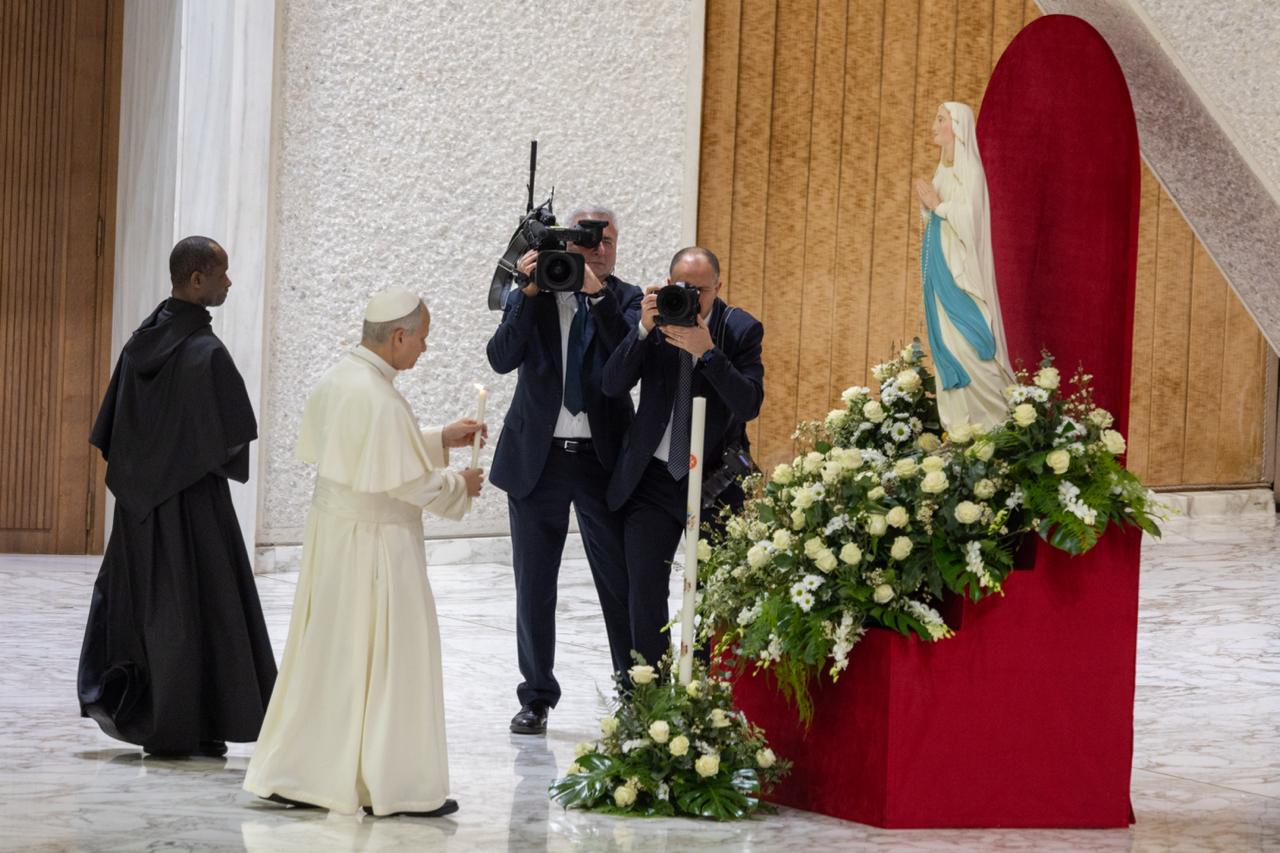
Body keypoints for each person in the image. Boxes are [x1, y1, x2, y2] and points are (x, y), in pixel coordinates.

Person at [243, 290, 485, 817]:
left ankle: (300, 774)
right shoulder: (377, 395)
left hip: (339, 539)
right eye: (422, 337)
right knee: (387, 659)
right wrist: (460, 481)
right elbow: (406, 483)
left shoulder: (344, 379)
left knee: (331, 658)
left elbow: (371, 452)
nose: (425, 348)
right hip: (377, 547)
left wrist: (441, 436)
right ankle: (394, 786)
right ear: (399, 336)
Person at [78, 236, 277, 758]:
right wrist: (192, 459)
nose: (228, 283)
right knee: (202, 610)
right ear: (197, 281)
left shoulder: (138, 343)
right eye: (222, 274)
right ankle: (201, 721)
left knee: (151, 615)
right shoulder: (206, 353)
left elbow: (114, 433)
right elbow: (232, 435)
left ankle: (155, 719)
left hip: (140, 516)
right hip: (194, 511)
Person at [487, 206, 642, 736]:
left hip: (604, 463)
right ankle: (536, 696)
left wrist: (596, 296)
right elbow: (501, 358)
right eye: (586, 240)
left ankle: (634, 691)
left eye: (607, 241)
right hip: (538, 460)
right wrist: (527, 294)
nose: (598, 249)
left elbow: (631, 364)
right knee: (535, 584)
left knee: (618, 582)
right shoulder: (531, 292)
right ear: (565, 242)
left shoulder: (624, 299)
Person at [602, 247, 764, 669]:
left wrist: (707, 352)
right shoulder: (655, 320)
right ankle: (650, 697)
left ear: (718, 287)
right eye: (681, 287)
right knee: (645, 591)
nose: (690, 297)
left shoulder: (740, 328)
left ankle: (706, 693)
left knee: (715, 591)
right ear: (668, 283)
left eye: (700, 290)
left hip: (715, 481)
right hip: (653, 478)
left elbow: (748, 404)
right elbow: (612, 384)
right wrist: (640, 329)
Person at [914, 101, 1014, 432]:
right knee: (947, 340)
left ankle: (991, 424)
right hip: (939, 268)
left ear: (957, 127)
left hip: (960, 275)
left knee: (969, 344)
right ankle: (958, 428)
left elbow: (970, 220)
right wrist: (929, 209)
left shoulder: (970, 170)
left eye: (940, 119)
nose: (933, 125)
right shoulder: (942, 170)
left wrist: (937, 205)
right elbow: (937, 217)